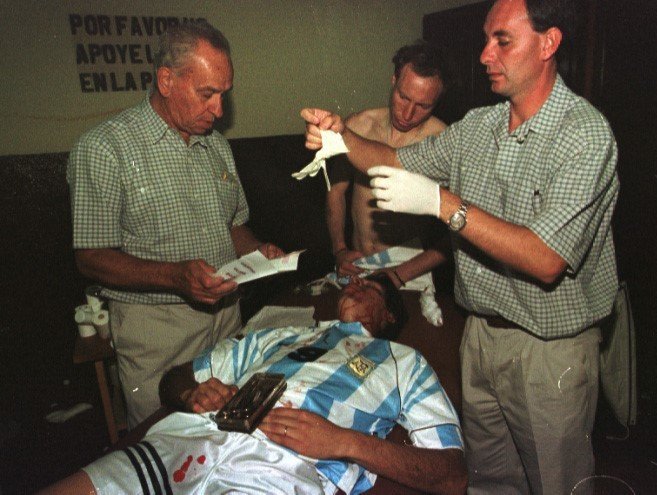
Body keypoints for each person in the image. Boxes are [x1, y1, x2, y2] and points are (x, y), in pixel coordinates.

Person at [300, 0, 619, 493]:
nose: (485, 55)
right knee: (489, 481)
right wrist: (340, 140)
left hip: (547, 351)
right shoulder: (479, 127)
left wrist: (442, 204)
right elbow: (395, 159)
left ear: (549, 43)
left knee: (557, 484)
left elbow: (546, 259)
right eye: (486, 39)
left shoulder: (584, 135)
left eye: (502, 41)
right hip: (480, 337)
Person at [39, 273, 467, 495]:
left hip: (282, 470)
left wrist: (344, 443)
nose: (353, 284)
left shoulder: (405, 362)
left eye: (368, 286)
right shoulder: (282, 335)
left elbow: (452, 476)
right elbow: (175, 378)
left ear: (390, 315)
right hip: (194, 437)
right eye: (351, 280)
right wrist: (191, 393)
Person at [67, 21, 283, 428]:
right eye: (207, 94)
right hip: (158, 334)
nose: (219, 110)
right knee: (166, 443)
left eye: (224, 95)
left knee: (234, 434)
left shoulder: (215, 145)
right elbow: (91, 258)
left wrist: (258, 251)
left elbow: (233, 225)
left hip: (226, 321)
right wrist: (175, 277)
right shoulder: (104, 148)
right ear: (166, 80)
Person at [327, 41, 449, 288]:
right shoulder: (357, 127)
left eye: (423, 106)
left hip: (410, 269)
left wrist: (401, 273)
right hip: (359, 263)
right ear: (394, 80)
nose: (407, 113)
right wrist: (340, 250)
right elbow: (336, 192)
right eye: (404, 97)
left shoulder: (443, 141)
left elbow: (461, 229)